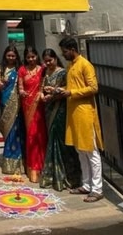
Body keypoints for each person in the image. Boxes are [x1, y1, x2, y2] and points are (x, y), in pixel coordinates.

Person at [58, 37, 104, 203]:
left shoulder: (85, 64)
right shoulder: (71, 66)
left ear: (72, 49)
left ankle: (97, 189)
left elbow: (93, 88)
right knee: (80, 151)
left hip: (85, 113)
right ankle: (86, 184)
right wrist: (60, 90)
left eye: (64, 51)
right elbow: (72, 87)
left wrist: (71, 93)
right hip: (74, 114)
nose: (63, 55)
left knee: (91, 152)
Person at [39, 48, 81, 191]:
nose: (48, 63)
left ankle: (69, 177)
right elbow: (41, 87)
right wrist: (42, 95)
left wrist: (53, 93)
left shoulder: (63, 72)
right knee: (51, 140)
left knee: (62, 141)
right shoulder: (45, 72)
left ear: (56, 59)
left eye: (50, 60)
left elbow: (67, 89)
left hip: (60, 109)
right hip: (48, 109)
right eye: (45, 61)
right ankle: (53, 176)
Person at [18, 46, 47, 183]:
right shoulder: (22, 70)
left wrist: (40, 94)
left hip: (39, 105)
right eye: (28, 57)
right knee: (31, 135)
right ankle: (32, 169)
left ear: (37, 56)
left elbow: (43, 85)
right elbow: (20, 87)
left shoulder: (42, 69)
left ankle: (43, 166)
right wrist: (22, 92)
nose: (31, 59)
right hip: (27, 105)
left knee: (40, 135)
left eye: (33, 57)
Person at [0, 44, 24, 175]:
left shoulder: (20, 69)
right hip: (5, 102)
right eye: (9, 55)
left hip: (17, 103)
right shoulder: (0, 68)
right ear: (5, 56)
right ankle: (8, 162)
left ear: (16, 56)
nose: (11, 58)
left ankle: (18, 161)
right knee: (7, 131)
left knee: (16, 132)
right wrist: (0, 84)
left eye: (13, 56)